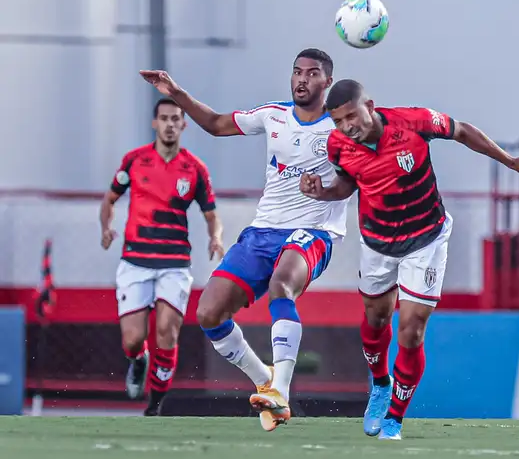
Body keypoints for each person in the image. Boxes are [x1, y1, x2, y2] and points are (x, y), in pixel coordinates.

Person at [300, 79, 519, 440]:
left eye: (351, 115)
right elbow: (347, 184)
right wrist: (324, 193)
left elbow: (462, 131)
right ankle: (380, 386)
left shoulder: (414, 122)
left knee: (412, 331)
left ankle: (394, 420)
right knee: (376, 319)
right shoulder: (338, 146)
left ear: (369, 104)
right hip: (378, 243)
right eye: (338, 121)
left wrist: (508, 161)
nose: (347, 126)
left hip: (426, 239)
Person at [139, 49, 349, 431]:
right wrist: (177, 92)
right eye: (296, 71)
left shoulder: (340, 128)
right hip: (263, 231)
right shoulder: (273, 116)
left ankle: (281, 391)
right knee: (208, 312)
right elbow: (218, 124)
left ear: (327, 82)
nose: (302, 79)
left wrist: (327, 190)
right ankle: (264, 379)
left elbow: (352, 182)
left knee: (281, 286)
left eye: (312, 73)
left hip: (313, 232)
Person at [100, 97, 225, 416]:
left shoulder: (194, 169)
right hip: (135, 261)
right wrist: (106, 228)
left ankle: (155, 403)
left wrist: (216, 238)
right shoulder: (134, 161)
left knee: (167, 332)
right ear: (155, 124)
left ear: (184, 124)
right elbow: (110, 199)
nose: (170, 124)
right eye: (164, 119)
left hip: (174, 263)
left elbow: (211, 214)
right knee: (133, 338)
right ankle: (138, 361)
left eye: (175, 119)